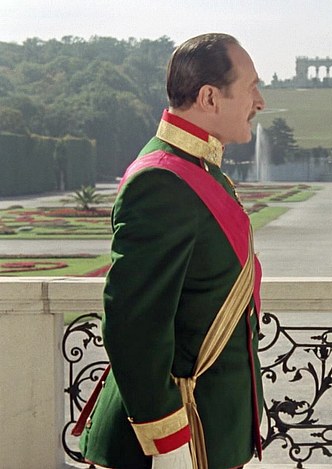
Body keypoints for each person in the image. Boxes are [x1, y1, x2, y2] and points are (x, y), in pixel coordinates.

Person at [76, 33, 266, 469]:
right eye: (252, 87)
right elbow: (134, 325)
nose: (260, 102)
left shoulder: (198, 169)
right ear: (209, 97)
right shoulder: (162, 181)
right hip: (176, 435)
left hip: (210, 429)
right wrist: (168, 442)